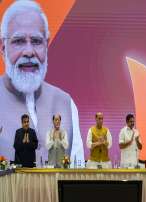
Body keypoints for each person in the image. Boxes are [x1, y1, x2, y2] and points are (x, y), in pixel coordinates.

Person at [0, 0, 83, 165]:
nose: (29, 52)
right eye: (18, 41)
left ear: (46, 45)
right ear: (3, 47)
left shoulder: (66, 102)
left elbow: (76, 166)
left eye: (37, 41)